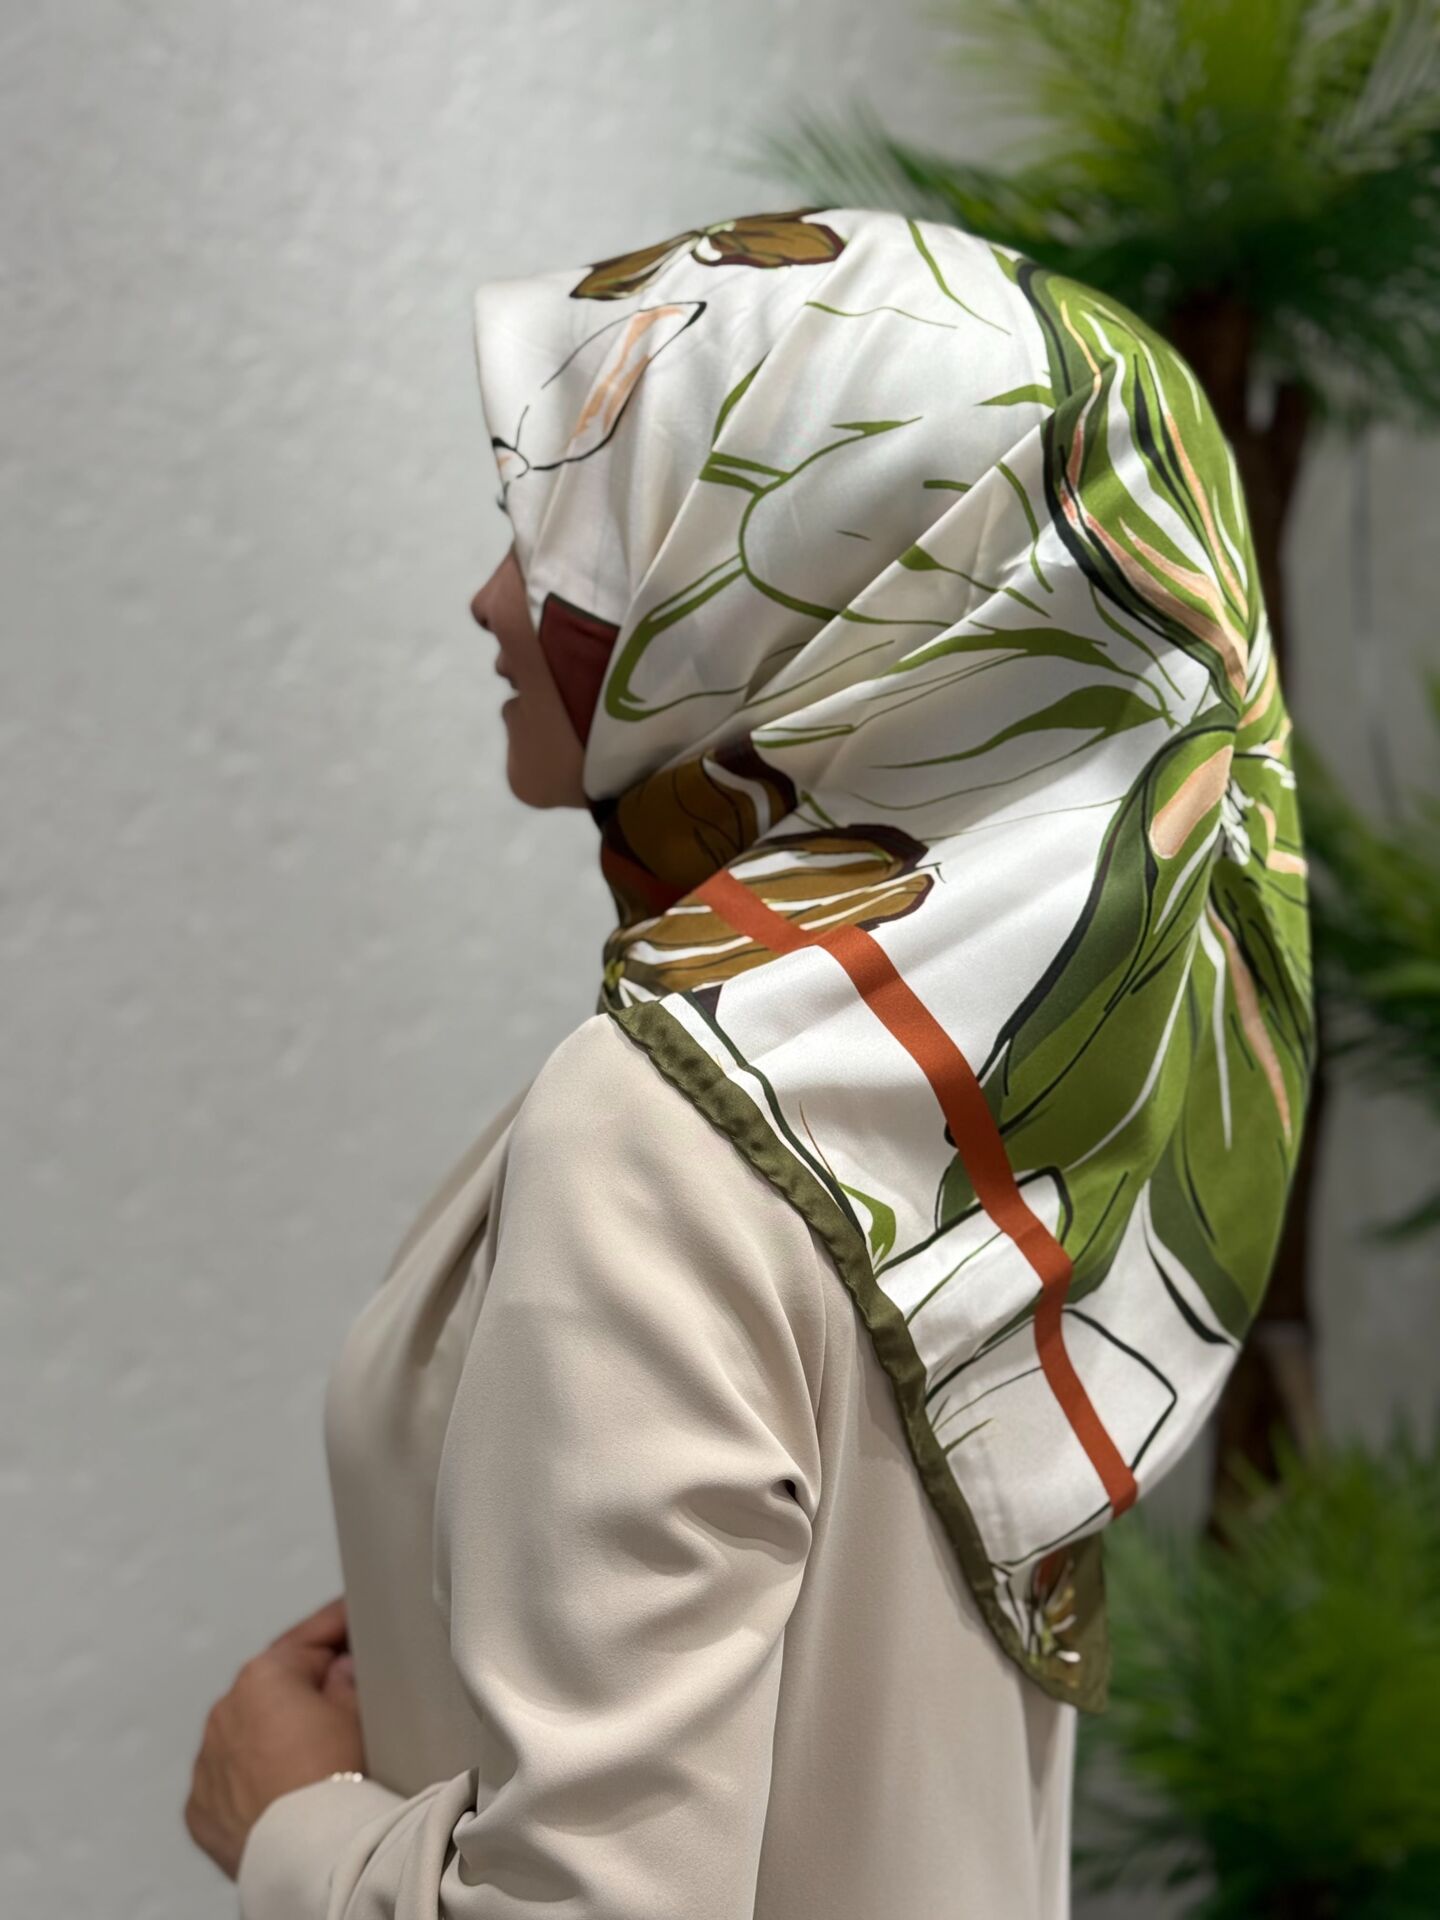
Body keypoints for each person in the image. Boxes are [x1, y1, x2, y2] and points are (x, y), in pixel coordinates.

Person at [184, 206, 1314, 1918]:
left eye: (588, 535)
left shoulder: (672, 1129)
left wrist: (284, 1824)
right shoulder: (1029, 1109)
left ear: (824, 602)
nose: (492, 601)